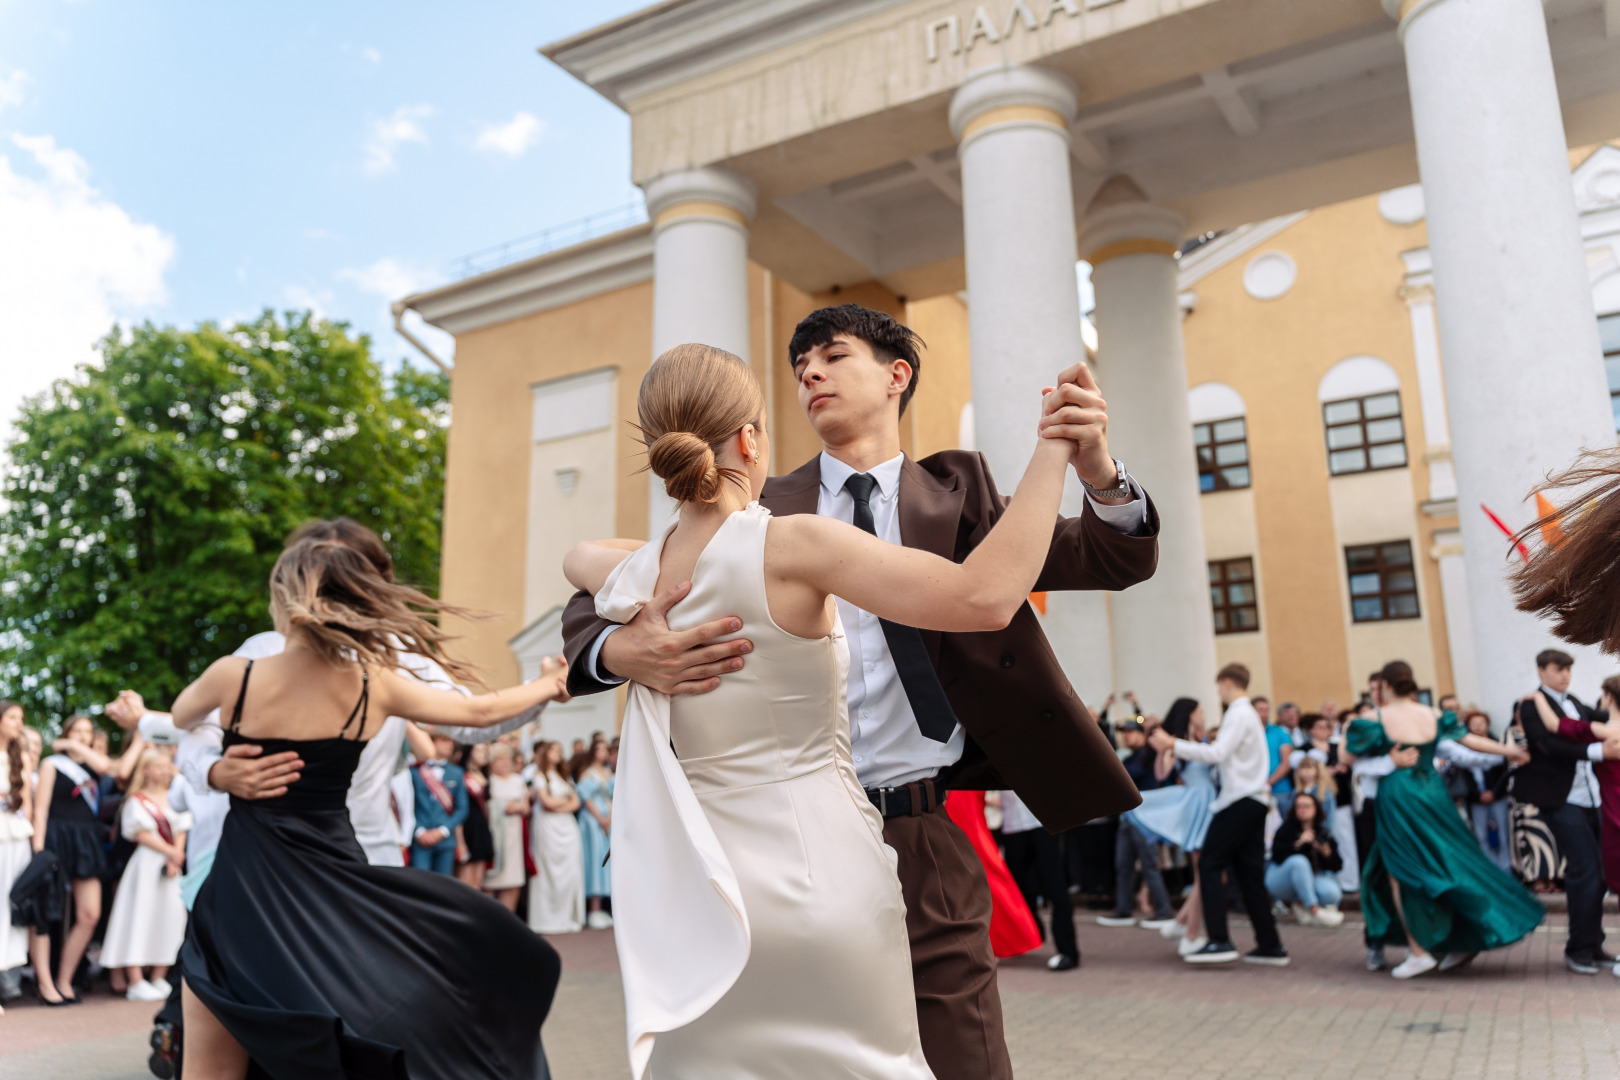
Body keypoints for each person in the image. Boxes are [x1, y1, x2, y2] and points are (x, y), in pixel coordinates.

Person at [561, 307, 1155, 1080]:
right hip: (778, 845)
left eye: (832, 355)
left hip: (920, 826)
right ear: (750, 435)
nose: (810, 372)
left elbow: (1104, 557)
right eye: (799, 364)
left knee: (967, 1062)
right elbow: (597, 604)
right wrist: (619, 648)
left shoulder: (959, 492)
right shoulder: (757, 511)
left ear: (895, 375)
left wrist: (1097, 471)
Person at [166, 535, 570, 1079]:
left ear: (284, 600)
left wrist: (219, 754)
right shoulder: (371, 684)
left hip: (242, 887)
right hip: (334, 881)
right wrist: (547, 683)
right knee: (357, 1012)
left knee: (212, 1055)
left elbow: (180, 716)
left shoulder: (233, 676)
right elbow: (479, 713)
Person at [1342, 660, 1541, 979]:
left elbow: (1345, 758)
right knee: (1450, 858)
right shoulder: (1434, 715)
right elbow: (1470, 742)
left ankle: (1419, 951)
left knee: (1401, 871)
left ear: (1387, 686)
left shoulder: (1373, 718)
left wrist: (1383, 756)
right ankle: (1459, 937)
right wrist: (1511, 753)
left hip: (1399, 794)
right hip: (1433, 792)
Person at [1149, 664, 1287, 966]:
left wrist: (1173, 744)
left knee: (1210, 863)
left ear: (1226, 683)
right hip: (1253, 800)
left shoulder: (1238, 713)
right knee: (1250, 876)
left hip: (1238, 801)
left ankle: (1219, 940)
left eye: (1218, 688)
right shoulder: (1247, 713)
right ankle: (1270, 945)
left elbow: (1217, 753)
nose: (1218, 694)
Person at [1506, 649, 1614, 974]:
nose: (1565, 674)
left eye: (1568, 668)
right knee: (1585, 871)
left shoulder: (1577, 702)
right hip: (1560, 799)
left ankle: (1593, 946)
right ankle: (1578, 950)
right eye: (1558, 668)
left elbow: (1600, 722)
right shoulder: (1530, 703)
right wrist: (1595, 751)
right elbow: (1546, 746)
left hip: (1590, 798)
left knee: (1599, 874)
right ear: (1541, 670)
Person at [31, 714, 123, 1003]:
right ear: (66, 732)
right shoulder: (52, 764)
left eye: (87, 732)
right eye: (77, 731)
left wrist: (78, 746)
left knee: (90, 913)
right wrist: (38, 848)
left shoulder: (93, 766)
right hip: (56, 837)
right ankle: (45, 983)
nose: (83, 736)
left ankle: (65, 979)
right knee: (45, 913)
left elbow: (109, 767)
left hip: (86, 840)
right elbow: (41, 809)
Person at [100, 749, 190, 1002]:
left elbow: (182, 827)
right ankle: (135, 979)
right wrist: (172, 852)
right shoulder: (135, 800)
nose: (164, 770)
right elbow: (140, 834)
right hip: (147, 864)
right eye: (158, 765)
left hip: (172, 865)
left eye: (166, 765)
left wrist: (176, 856)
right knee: (139, 916)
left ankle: (159, 975)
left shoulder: (176, 796)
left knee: (172, 918)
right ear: (145, 770)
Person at [1127, 698, 1215, 955]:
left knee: (1207, 874)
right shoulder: (1180, 744)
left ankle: (1180, 926)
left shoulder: (1198, 741)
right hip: (1200, 803)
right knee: (1205, 875)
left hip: (1203, 802)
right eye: (1199, 711)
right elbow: (1161, 774)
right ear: (1189, 714)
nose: (1202, 715)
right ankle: (1189, 934)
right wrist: (1165, 749)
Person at [943, 790, 1040, 959]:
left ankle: (1005, 939)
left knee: (989, 882)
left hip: (970, 820)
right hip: (964, 818)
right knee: (982, 883)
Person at [1097, 720, 1173, 929]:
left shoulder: (1145, 756)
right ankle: (1124, 910)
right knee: (1123, 866)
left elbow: (1126, 775)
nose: (1127, 736)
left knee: (1149, 867)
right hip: (1127, 818)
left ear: (1142, 734)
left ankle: (1163, 911)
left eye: (1131, 732)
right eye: (1124, 733)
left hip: (1145, 820)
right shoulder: (1131, 757)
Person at [999, 788, 1080, 970]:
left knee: (1055, 887)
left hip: (1042, 823)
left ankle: (1068, 952)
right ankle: (1032, 933)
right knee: (1017, 888)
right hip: (1011, 824)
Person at [528, 741, 584, 935]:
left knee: (570, 871)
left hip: (567, 827)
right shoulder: (539, 775)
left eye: (560, 750)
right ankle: (546, 918)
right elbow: (547, 803)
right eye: (553, 750)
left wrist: (561, 805)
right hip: (548, 827)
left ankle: (567, 916)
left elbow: (576, 802)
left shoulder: (564, 776)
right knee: (547, 870)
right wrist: (564, 802)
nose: (558, 753)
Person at [0, 701, 35, 1010]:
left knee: (13, 906)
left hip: (18, 835)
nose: (18, 723)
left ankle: (8, 978)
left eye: (21, 718)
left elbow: (27, 803)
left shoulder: (20, 757)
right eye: (12, 717)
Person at [1265, 792, 1344, 927]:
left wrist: (1326, 853)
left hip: (1309, 880)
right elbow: (1277, 855)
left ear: (1316, 809)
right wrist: (1299, 842)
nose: (1302, 809)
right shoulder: (1286, 829)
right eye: (1298, 806)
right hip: (1279, 879)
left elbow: (1337, 866)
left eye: (1306, 806)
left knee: (1332, 893)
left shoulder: (1322, 832)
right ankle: (1314, 910)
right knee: (1299, 862)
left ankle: (1301, 904)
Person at [1453, 709, 1513, 872]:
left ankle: (1505, 871)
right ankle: (1490, 870)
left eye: (1481, 723)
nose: (1478, 727)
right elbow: (1463, 774)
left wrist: (1494, 792)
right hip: (1476, 799)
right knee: (1481, 835)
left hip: (1497, 796)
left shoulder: (1497, 745)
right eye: (1474, 724)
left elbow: (1504, 772)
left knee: (1503, 834)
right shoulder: (1461, 749)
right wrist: (1477, 794)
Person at [411, 732, 469, 875]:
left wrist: (443, 831)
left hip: (446, 839)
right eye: (444, 740)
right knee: (419, 883)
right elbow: (407, 804)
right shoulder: (414, 771)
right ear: (431, 742)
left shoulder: (457, 773)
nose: (449, 745)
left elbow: (462, 808)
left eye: (450, 741)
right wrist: (419, 831)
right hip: (420, 838)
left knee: (443, 886)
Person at [482, 744, 530, 913]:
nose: (504, 763)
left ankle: (508, 917)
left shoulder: (518, 780)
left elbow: (526, 807)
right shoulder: (488, 781)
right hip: (494, 832)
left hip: (513, 833)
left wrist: (517, 808)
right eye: (500, 759)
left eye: (507, 759)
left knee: (513, 878)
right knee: (491, 880)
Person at [573, 739, 614, 929]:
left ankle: (606, 906)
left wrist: (610, 817)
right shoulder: (588, 773)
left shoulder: (609, 772)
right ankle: (594, 908)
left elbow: (614, 795)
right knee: (595, 860)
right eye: (599, 749)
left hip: (608, 820)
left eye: (605, 749)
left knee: (609, 862)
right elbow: (586, 798)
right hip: (592, 822)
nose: (603, 752)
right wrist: (600, 819)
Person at [455, 742, 495, 889]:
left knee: (478, 882)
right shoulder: (461, 775)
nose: (484, 754)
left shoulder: (485, 776)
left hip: (482, 828)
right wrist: (460, 842)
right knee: (465, 883)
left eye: (485, 750)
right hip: (467, 829)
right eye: (479, 750)